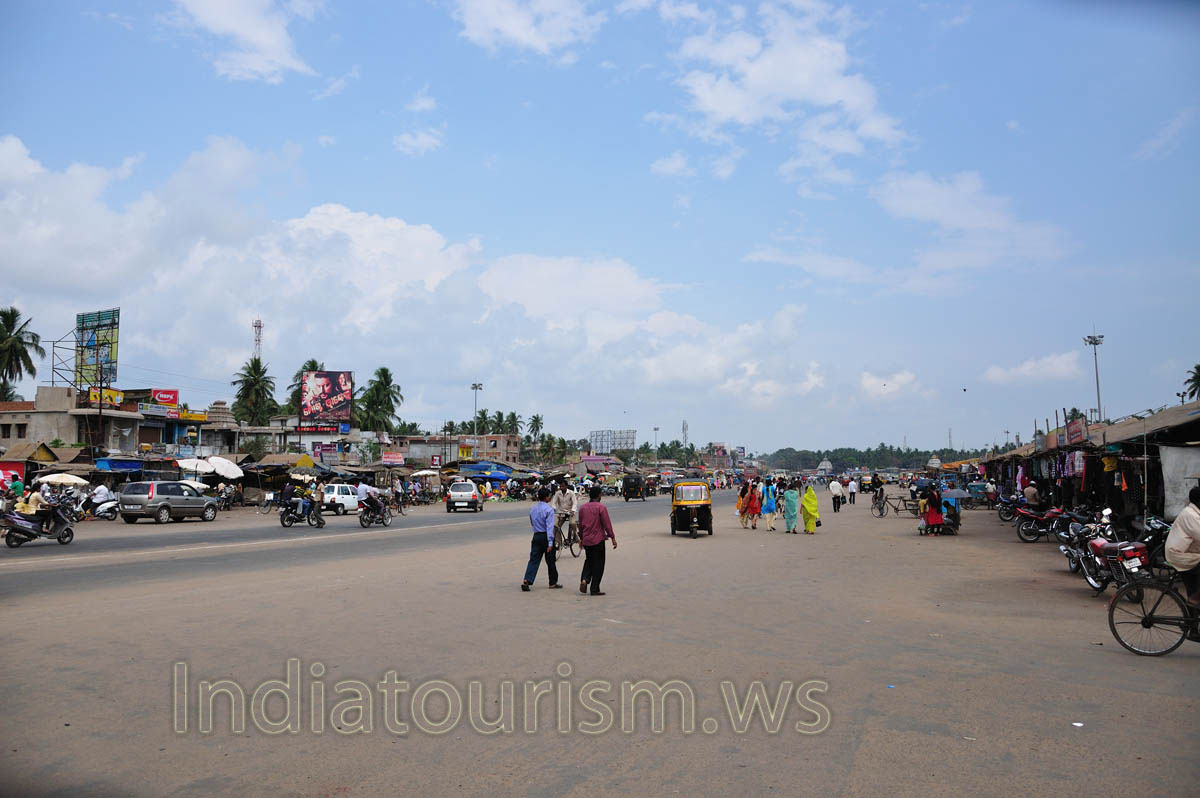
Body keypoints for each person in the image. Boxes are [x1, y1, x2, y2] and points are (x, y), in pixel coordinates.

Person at [1165, 486, 1200, 610]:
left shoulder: (1195, 512)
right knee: (1194, 594)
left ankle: (1192, 626)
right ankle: (1195, 598)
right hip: (1179, 555)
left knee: (1193, 589)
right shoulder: (1190, 515)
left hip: (1189, 553)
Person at [578, 486, 617, 595]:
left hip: (587, 540)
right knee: (599, 564)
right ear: (599, 495)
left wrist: (581, 538)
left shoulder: (582, 508)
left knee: (589, 561)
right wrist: (612, 537)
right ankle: (594, 588)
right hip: (598, 540)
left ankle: (585, 579)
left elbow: (580, 525)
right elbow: (607, 524)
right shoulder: (601, 507)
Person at [522, 487, 561, 591]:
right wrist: (550, 543)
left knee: (534, 559)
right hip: (545, 536)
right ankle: (553, 582)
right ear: (547, 497)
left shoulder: (533, 509)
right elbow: (549, 527)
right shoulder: (549, 510)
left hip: (536, 535)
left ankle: (527, 580)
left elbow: (532, 522)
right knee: (550, 560)